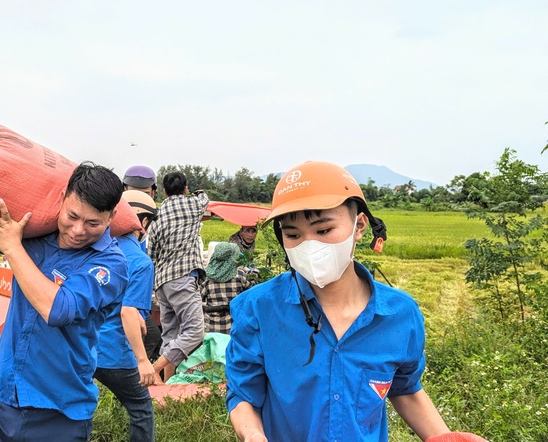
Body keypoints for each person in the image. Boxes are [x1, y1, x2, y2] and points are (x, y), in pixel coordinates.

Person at [225, 160, 451, 442]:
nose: (309, 245)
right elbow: (243, 392)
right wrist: (253, 435)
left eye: (323, 230)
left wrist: (446, 438)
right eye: (293, 234)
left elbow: (405, 388)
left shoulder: (399, 315)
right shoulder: (259, 309)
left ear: (359, 226)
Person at [0, 162, 128, 442]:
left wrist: (13, 248)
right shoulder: (36, 237)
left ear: (112, 217)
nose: (77, 230)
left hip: (58, 413)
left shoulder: (110, 264)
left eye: (92, 223)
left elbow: (58, 309)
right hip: (0, 399)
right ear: (62, 198)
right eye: (72, 216)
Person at [95, 190, 158, 442]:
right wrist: (143, 361)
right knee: (142, 409)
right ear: (142, 222)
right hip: (114, 353)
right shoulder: (140, 261)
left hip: (84, 347)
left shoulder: (99, 249)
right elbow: (128, 311)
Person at [147, 171, 208, 383]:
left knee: (170, 334)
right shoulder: (193, 205)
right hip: (182, 278)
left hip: (162, 283)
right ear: (185, 189)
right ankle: (154, 369)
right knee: (195, 331)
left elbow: (151, 254)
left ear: (163, 192)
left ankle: (166, 382)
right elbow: (205, 199)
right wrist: (197, 193)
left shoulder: (157, 216)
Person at [122, 164, 162, 360]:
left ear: (154, 192)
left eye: (145, 193)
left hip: (142, 290)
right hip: (127, 298)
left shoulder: (155, 220)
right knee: (150, 334)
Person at [200, 242, 255, 334]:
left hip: (212, 328)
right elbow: (251, 293)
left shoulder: (207, 278)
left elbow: (199, 298)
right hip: (234, 326)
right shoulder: (240, 276)